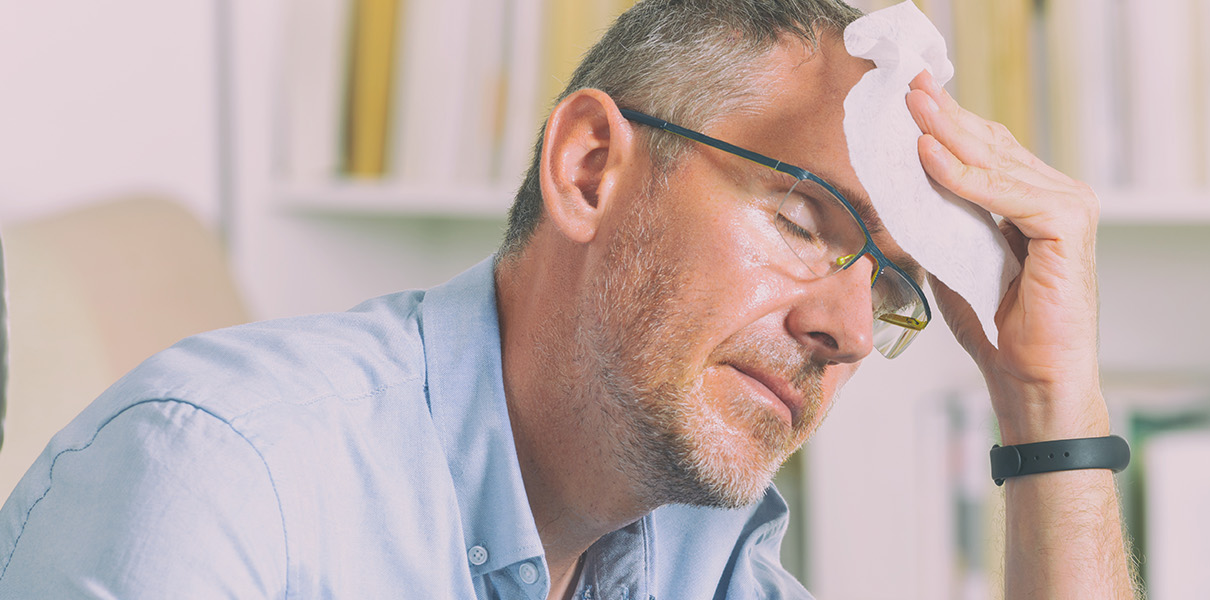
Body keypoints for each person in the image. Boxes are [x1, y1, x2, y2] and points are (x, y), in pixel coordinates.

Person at [0, 1, 1134, 598]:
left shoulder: (698, 543)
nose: (843, 331)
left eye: (886, 287)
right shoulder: (224, 483)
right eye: (798, 221)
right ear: (591, 167)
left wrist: (1049, 402)